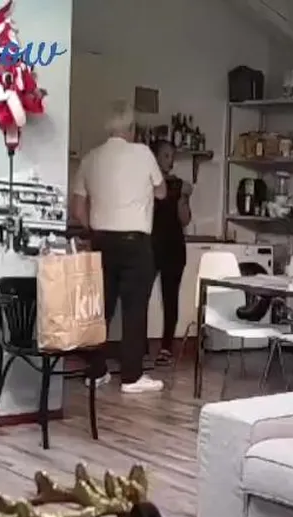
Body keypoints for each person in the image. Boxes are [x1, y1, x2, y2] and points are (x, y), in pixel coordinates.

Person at [70, 101, 166, 394]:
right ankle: (132, 377)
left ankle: (96, 372)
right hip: (135, 243)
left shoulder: (90, 158)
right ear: (132, 128)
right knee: (134, 311)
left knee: (100, 310)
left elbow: (78, 208)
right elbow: (162, 192)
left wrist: (94, 229)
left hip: (101, 241)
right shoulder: (143, 153)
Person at [149, 140, 192, 365]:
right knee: (140, 298)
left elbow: (185, 219)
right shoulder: (146, 183)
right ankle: (139, 347)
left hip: (174, 247)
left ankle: (166, 347)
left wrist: (184, 199)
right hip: (150, 246)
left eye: (172, 156)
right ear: (154, 157)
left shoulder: (179, 185)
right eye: (166, 155)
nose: (170, 160)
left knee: (170, 297)